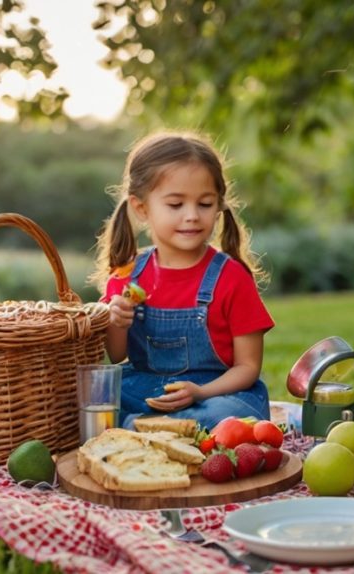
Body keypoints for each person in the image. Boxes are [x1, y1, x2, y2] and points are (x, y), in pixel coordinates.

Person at [91, 131, 273, 431]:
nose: (192, 216)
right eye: (176, 205)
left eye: (204, 204)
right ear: (141, 208)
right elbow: (118, 354)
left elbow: (248, 367)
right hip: (146, 390)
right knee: (90, 397)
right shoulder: (127, 275)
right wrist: (115, 319)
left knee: (230, 415)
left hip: (216, 392)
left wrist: (200, 392)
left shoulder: (231, 277)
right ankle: (161, 428)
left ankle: (139, 429)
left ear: (218, 206)